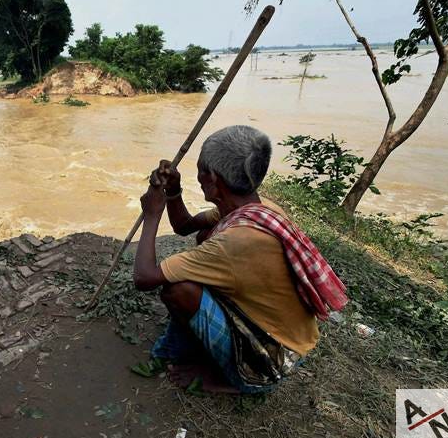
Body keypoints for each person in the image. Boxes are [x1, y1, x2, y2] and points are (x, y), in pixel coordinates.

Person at [131, 125, 347, 394]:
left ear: (211, 179)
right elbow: (185, 225)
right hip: (284, 338)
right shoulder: (257, 209)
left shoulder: (236, 241)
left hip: (271, 360)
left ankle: (236, 380)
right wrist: (174, 191)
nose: (198, 176)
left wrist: (152, 215)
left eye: (200, 170)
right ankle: (209, 347)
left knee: (178, 290)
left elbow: (144, 278)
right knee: (205, 236)